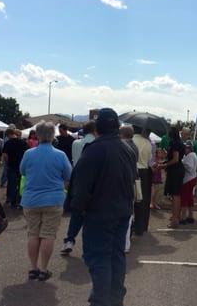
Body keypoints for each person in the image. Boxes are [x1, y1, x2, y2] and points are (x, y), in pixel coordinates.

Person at [70, 108, 136, 306]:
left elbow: (81, 188)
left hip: (99, 215)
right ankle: (115, 298)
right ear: (117, 127)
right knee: (116, 257)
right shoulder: (127, 149)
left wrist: (77, 210)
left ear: (97, 128)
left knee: (100, 259)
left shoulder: (94, 150)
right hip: (122, 212)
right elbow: (132, 179)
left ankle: (101, 300)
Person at [20, 121, 72, 281]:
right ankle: (44, 269)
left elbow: (22, 171)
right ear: (53, 135)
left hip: (31, 199)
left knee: (33, 234)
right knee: (48, 234)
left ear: (37, 134)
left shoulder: (29, 153)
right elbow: (68, 176)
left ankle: (33, 268)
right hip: (53, 199)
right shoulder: (60, 155)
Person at [61, 121, 97, 255]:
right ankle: (89, 246)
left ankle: (69, 240)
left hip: (76, 180)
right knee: (92, 213)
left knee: (77, 213)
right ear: (94, 130)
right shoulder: (97, 145)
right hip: (92, 181)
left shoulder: (75, 143)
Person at [158, 127, 185, 228]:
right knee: (175, 195)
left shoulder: (174, 143)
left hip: (175, 171)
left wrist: (164, 165)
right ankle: (175, 217)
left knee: (175, 196)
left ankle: (175, 220)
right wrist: (164, 162)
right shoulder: (179, 142)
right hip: (177, 170)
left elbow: (175, 159)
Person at [132, 126, 152, 236]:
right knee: (142, 200)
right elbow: (149, 159)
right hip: (144, 172)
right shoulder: (148, 143)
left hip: (131, 170)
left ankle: (128, 226)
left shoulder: (130, 141)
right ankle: (141, 226)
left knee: (129, 199)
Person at [2, 129, 29, 208]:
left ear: (8, 135)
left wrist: (8, 162)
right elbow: (27, 154)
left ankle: (11, 200)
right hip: (21, 166)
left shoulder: (7, 143)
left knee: (12, 184)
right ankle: (20, 201)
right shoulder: (23, 143)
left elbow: (5, 155)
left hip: (11, 166)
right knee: (21, 184)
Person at [180, 142, 197, 224]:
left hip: (188, 179)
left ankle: (183, 217)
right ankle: (190, 216)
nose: (185, 149)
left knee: (184, 198)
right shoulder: (193, 155)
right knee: (190, 198)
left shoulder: (190, 156)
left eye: (186, 148)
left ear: (190, 148)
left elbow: (189, 168)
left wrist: (182, 164)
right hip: (192, 178)